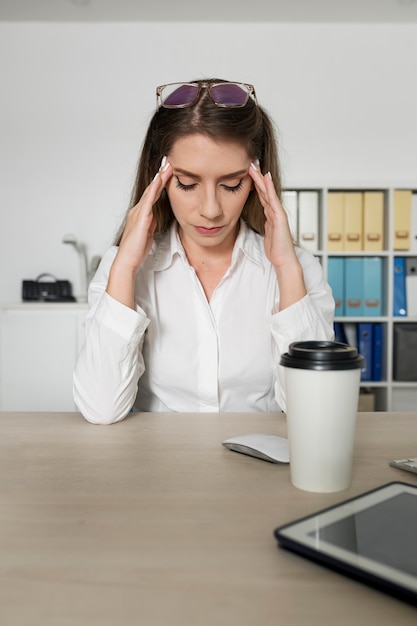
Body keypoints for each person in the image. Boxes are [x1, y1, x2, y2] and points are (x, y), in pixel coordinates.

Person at [73, 78, 335, 424]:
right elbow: (101, 409)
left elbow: (313, 411)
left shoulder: (297, 269)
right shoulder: (123, 268)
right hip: (161, 466)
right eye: (187, 183)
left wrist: (286, 267)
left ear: (258, 180)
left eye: (231, 184)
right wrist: (124, 268)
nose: (210, 209)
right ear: (159, 179)